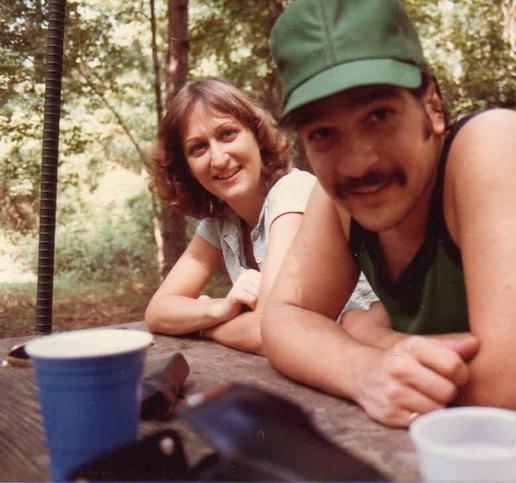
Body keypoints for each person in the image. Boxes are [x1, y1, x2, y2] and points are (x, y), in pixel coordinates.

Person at [262, 0, 516, 439]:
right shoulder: (336, 200)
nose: (356, 164)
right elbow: (282, 319)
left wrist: (374, 338)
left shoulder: (496, 146)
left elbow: (513, 390)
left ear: (432, 107)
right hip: (435, 449)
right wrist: (364, 368)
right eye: (322, 134)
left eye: (379, 115)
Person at [145, 77, 378, 355]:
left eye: (228, 134)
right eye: (198, 148)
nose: (219, 159)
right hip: (311, 360)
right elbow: (157, 311)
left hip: (370, 348)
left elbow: (267, 332)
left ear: (256, 135)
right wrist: (220, 308)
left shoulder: (292, 193)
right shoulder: (220, 223)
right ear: (187, 168)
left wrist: (203, 327)